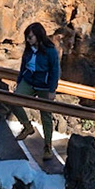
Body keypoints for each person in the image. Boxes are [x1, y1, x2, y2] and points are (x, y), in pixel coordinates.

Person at [16, 22, 62, 158]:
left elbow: (55, 70)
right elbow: (23, 65)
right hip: (29, 80)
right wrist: (19, 81)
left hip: (44, 84)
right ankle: (27, 126)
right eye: (27, 37)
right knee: (13, 100)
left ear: (38, 36)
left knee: (46, 115)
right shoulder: (29, 49)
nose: (28, 40)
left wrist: (52, 89)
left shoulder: (50, 51)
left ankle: (48, 146)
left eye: (30, 37)